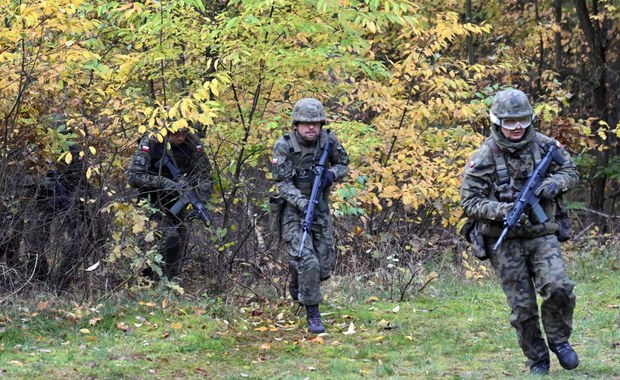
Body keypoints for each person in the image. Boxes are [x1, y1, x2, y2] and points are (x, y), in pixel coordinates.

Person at [460, 89, 580, 375]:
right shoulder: (485, 155)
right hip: (504, 241)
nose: (516, 127)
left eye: (522, 120)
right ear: (496, 121)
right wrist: (502, 210)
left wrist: (554, 184)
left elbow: (571, 172)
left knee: (559, 287)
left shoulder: (545, 145)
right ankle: (537, 358)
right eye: (509, 121)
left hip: (542, 233)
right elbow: (469, 201)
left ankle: (559, 340)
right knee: (523, 308)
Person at [271, 98, 350, 334]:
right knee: (310, 262)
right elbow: (282, 183)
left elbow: (344, 164)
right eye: (306, 123)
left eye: (315, 123)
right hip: (294, 212)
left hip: (321, 210)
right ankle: (313, 313)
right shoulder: (284, 145)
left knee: (324, 268)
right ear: (296, 124)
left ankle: (297, 275)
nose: (311, 128)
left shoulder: (328, 141)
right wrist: (303, 203)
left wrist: (331, 175)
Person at [126, 123, 213, 280]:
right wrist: (163, 182)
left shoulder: (191, 141)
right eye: (175, 133)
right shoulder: (152, 140)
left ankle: (169, 280)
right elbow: (133, 176)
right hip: (151, 197)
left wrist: (201, 201)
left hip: (176, 198)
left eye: (183, 133)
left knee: (180, 235)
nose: (180, 137)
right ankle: (145, 279)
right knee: (162, 237)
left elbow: (204, 173)